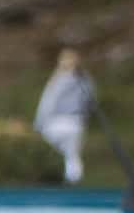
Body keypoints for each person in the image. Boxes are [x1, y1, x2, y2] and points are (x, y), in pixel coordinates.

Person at [36, 46, 98, 184]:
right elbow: (90, 102)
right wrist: (85, 118)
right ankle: (73, 182)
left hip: (55, 122)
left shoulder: (58, 80)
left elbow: (47, 102)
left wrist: (38, 124)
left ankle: (51, 180)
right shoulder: (85, 80)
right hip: (76, 123)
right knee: (72, 156)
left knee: (50, 154)